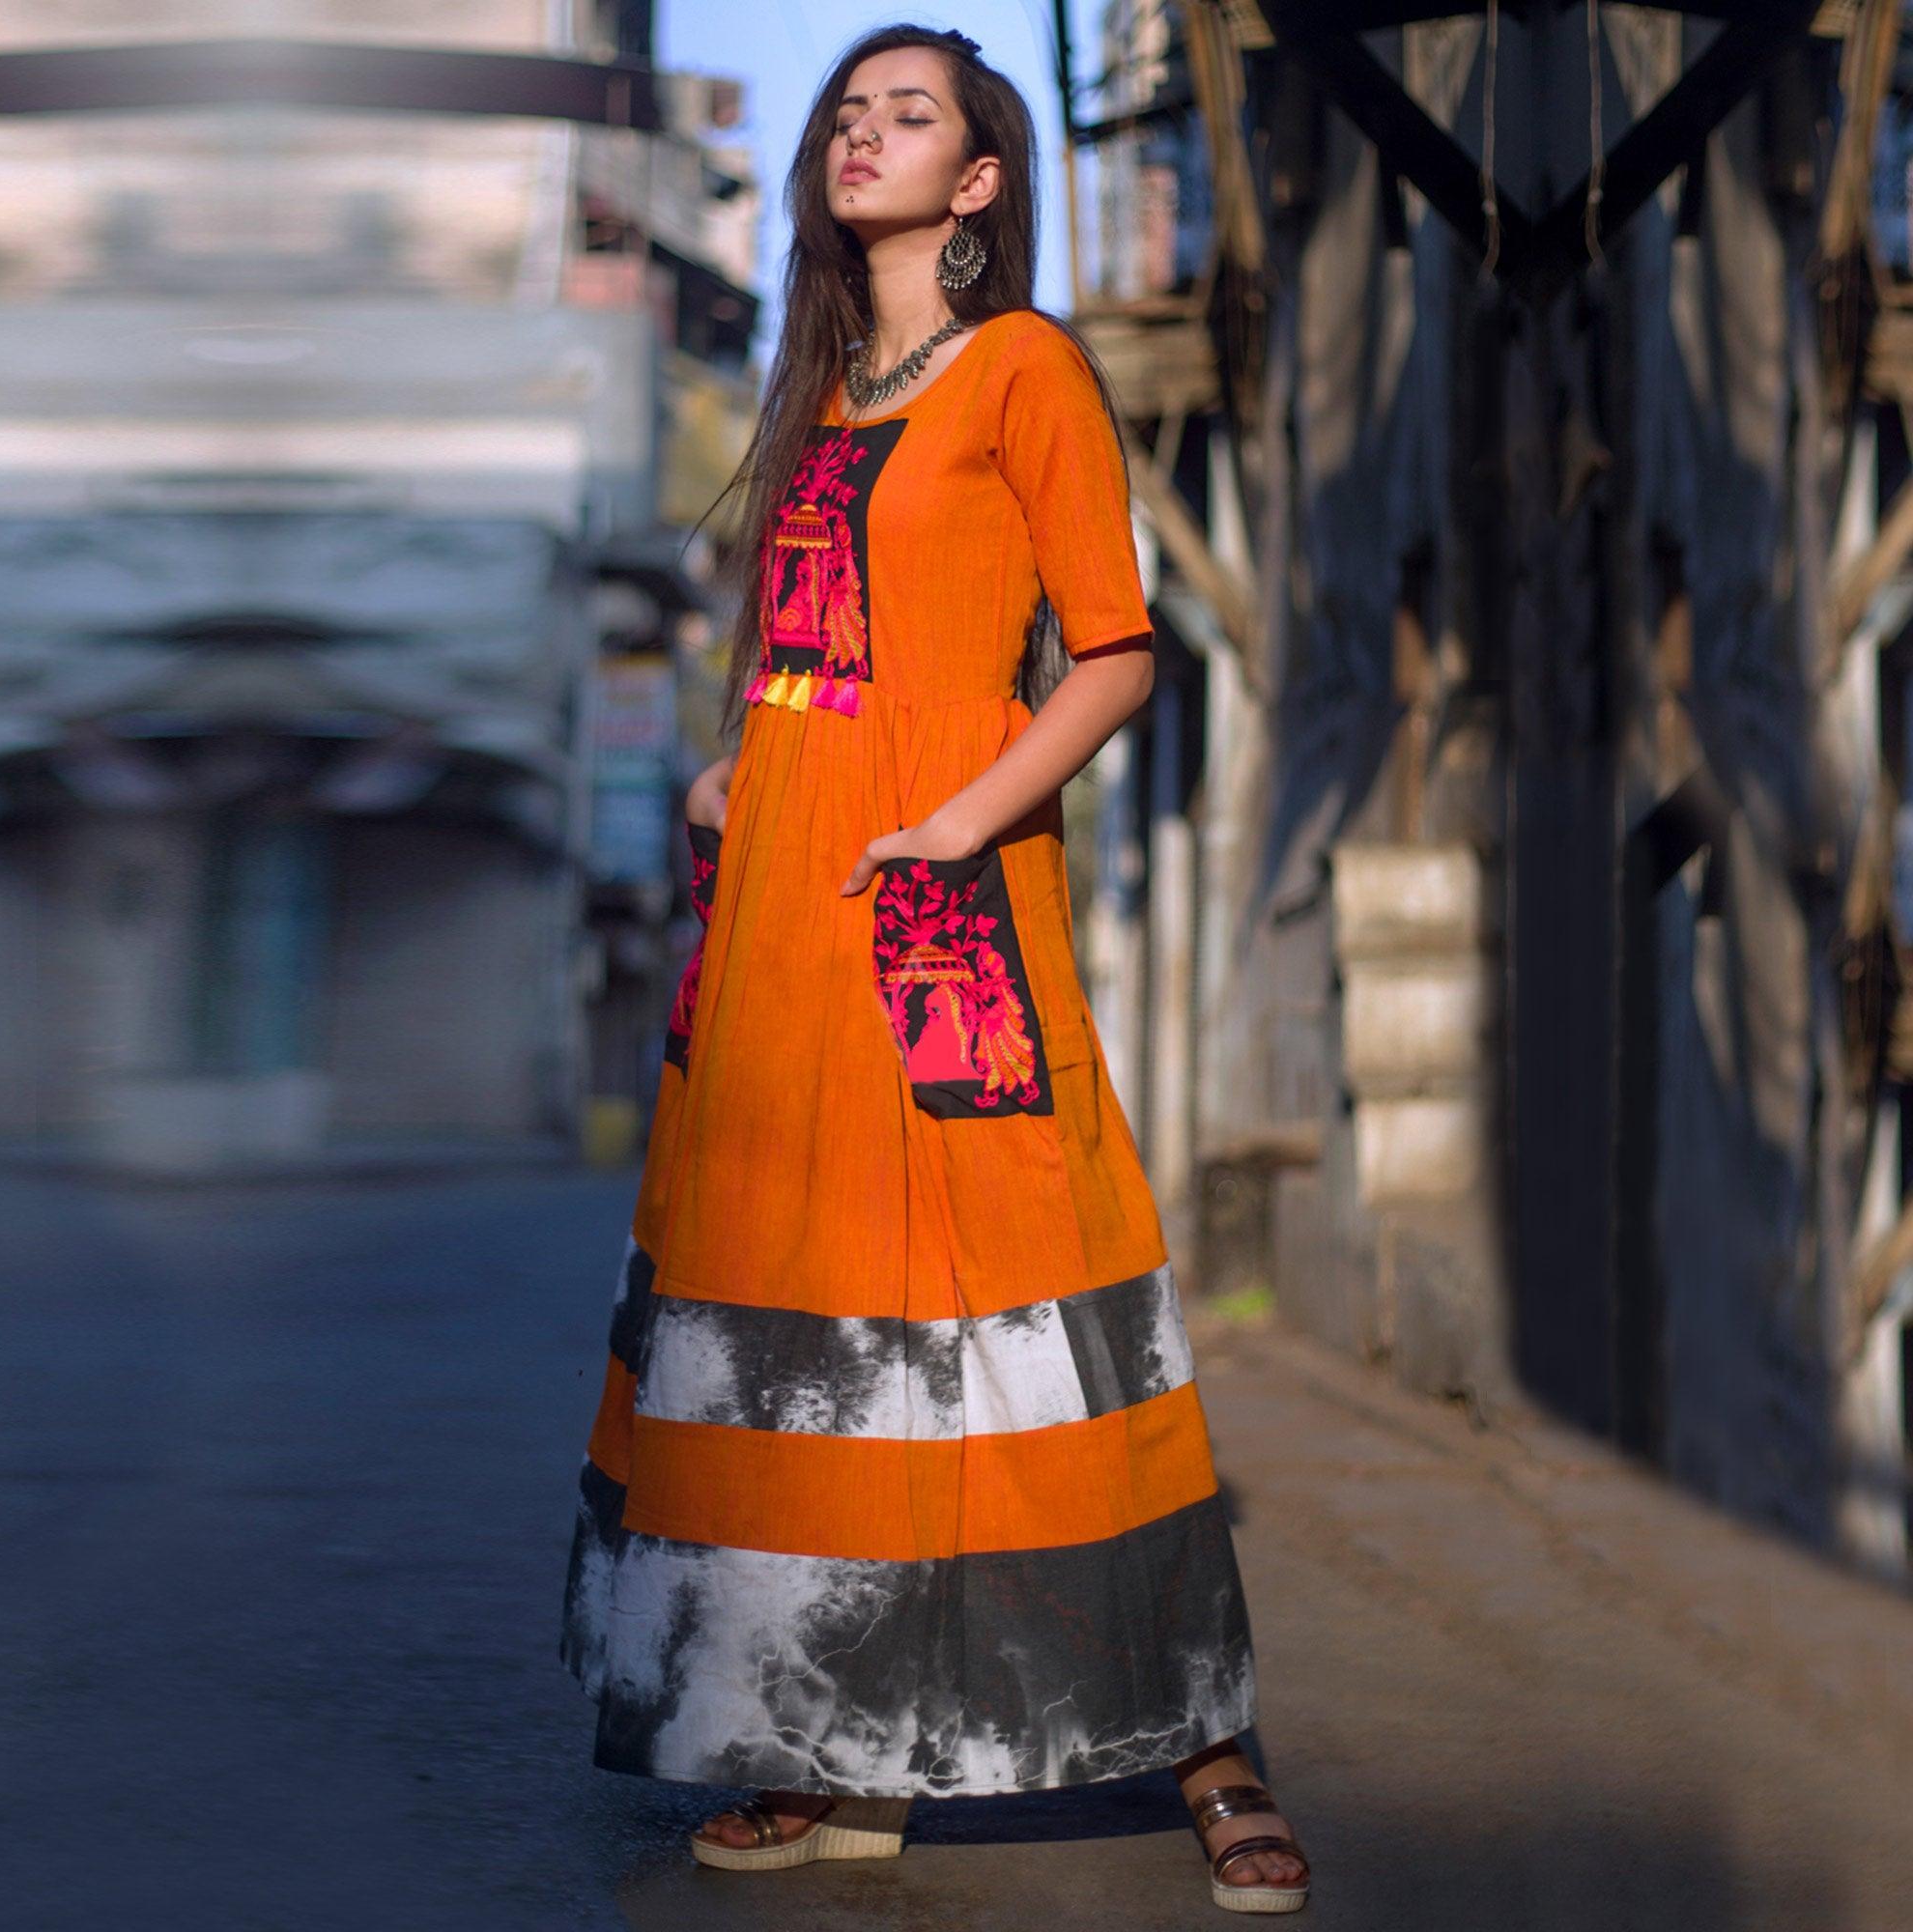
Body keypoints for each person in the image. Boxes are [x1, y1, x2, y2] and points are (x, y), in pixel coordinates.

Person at [558, 21, 1311, 1915]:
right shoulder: (821, 398)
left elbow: (1116, 650)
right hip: (785, 910)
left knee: (1039, 1298)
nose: (862, 132)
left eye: (912, 114)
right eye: (850, 108)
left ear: (979, 183)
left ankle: (1209, 1744)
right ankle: (838, 1748)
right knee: (800, 1314)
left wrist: (961, 822)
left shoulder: (1025, 368)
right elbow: (820, 652)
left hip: (937, 901)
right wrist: (743, 758)